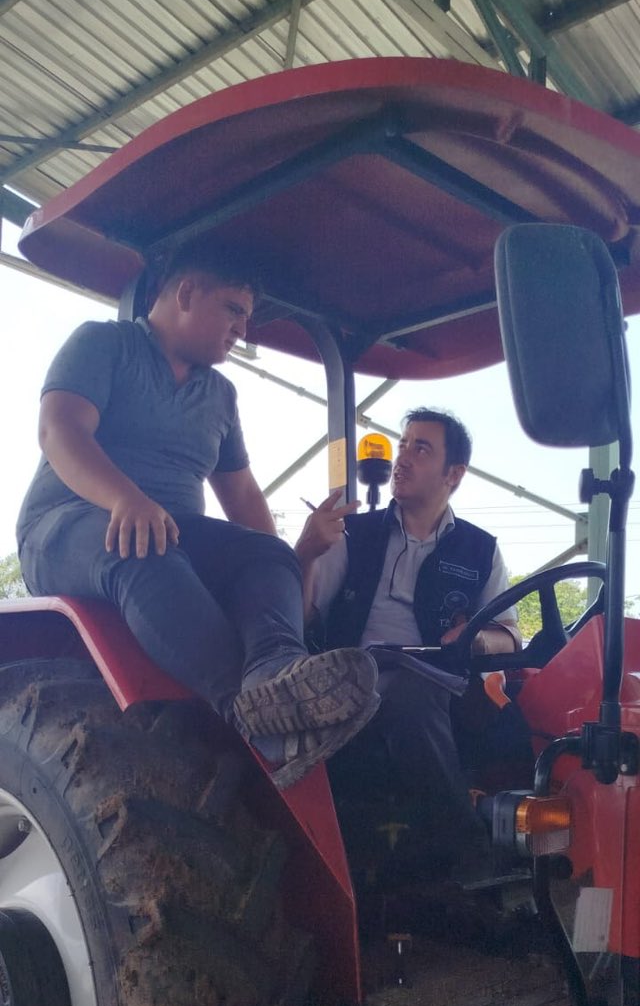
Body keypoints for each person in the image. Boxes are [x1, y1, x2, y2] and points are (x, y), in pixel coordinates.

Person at [16, 242, 379, 789]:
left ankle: (276, 672)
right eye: (233, 310)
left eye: (247, 318)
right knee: (142, 543)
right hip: (69, 524)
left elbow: (243, 494)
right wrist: (125, 498)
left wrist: (284, 563)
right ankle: (249, 713)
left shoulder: (220, 395)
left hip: (170, 534)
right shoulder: (104, 343)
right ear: (186, 293)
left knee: (264, 552)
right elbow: (59, 429)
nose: (242, 330)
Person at [295, 408, 522, 877]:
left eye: (421, 448)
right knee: (408, 693)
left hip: (443, 684)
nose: (403, 458)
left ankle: (527, 834)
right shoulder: (351, 534)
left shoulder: (480, 549)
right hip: (356, 680)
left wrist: (476, 638)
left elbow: (510, 636)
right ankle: (470, 852)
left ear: (453, 474)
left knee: (518, 722)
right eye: (403, 445)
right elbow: (301, 617)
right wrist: (305, 554)